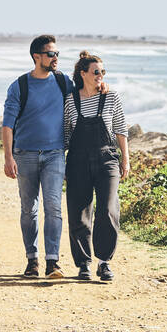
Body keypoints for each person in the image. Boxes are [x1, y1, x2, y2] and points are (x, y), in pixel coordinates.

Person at [2, 35, 106, 279]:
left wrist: (102, 85)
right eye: (51, 54)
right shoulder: (19, 86)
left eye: (57, 53)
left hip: (55, 154)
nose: (56, 58)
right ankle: (32, 260)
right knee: (29, 209)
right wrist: (8, 157)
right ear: (37, 57)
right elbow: (7, 125)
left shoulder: (62, 82)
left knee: (53, 208)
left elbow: (85, 90)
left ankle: (52, 262)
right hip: (24, 154)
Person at [64, 51, 129, 282]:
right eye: (96, 72)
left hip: (107, 158)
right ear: (83, 74)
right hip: (78, 160)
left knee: (108, 209)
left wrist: (125, 159)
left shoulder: (111, 96)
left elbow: (121, 129)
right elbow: (66, 134)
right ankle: (83, 264)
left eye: (103, 71)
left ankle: (104, 262)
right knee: (78, 212)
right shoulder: (71, 99)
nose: (100, 75)